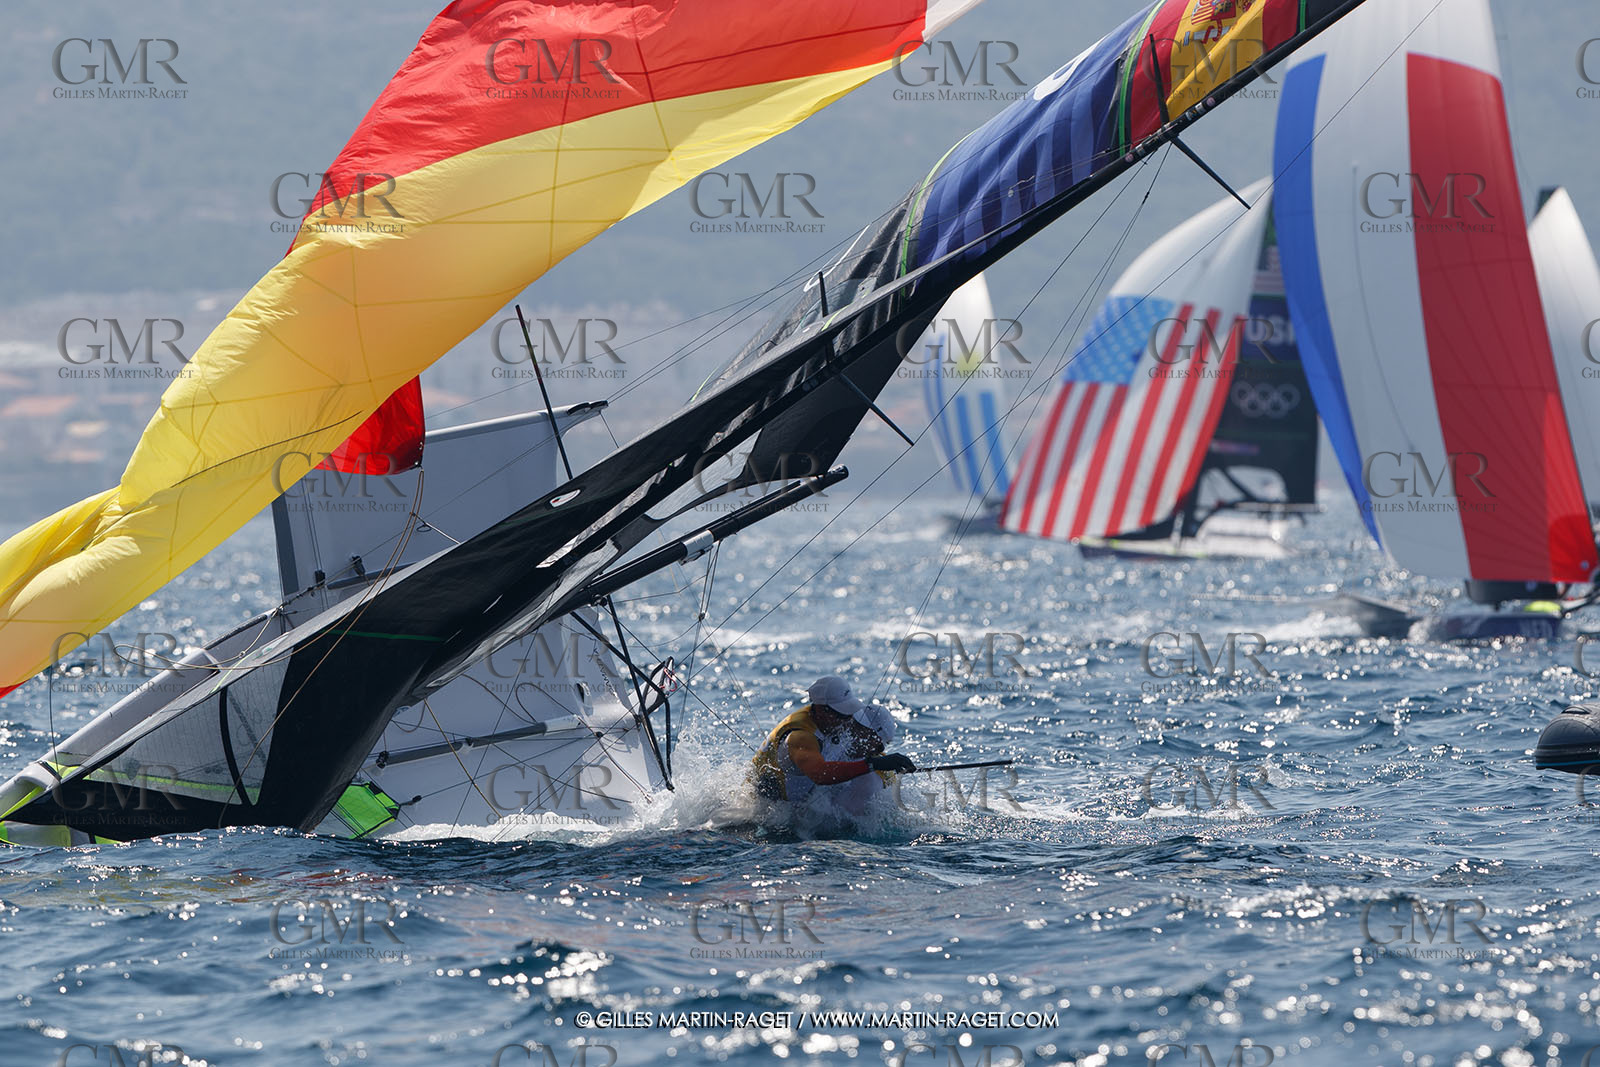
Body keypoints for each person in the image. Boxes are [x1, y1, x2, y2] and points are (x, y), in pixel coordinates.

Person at [750, 676, 915, 803]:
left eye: (850, 714)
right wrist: (874, 764)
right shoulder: (800, 737)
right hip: (770, 817)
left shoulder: (831, 723)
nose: (848, 720)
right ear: (821, 709)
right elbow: (820, 774)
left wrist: (884, 766)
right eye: (842, 714)